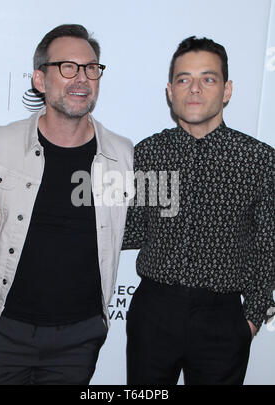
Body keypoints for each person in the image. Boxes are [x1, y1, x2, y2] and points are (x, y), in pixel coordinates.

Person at [0, 24, 133, 385]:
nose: (81, 78)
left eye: (91, 68)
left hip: (78, 339)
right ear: (39, 80)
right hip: (1, 327)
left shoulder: (121, 155)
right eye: (67, 67)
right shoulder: (0, 142)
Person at [122, 36, 275, 385]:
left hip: (223, 318)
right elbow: (131, 229)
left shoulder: (259, 160)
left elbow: (267, 245)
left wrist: (251, 317)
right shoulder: (149, 154)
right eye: (183, 79)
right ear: (169, 91)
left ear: (227, 90)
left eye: (208, 79)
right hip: (154, 311)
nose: (194, 90)